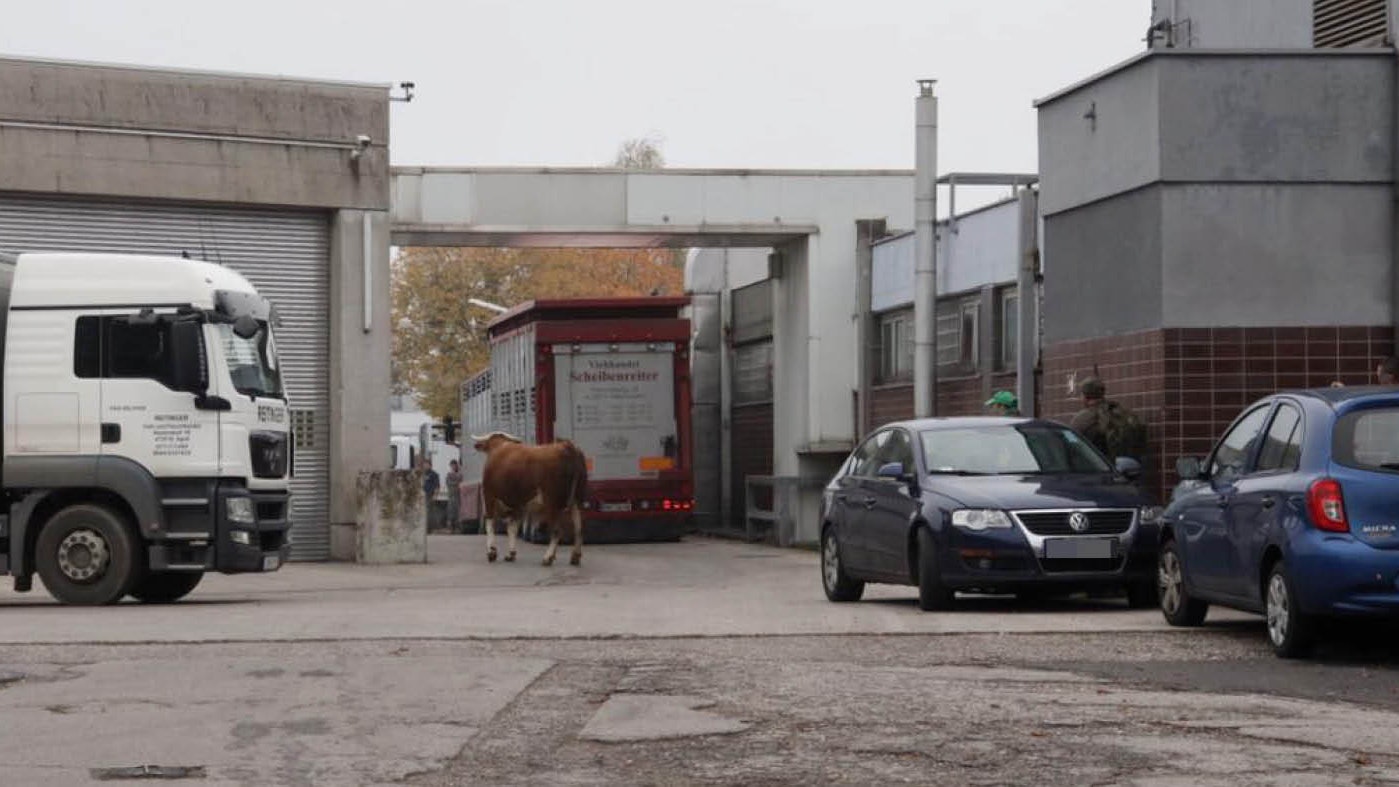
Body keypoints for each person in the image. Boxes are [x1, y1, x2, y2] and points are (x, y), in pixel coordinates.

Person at [1069, 376, 1148, 463]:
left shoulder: (1082, 418)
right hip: (1128, 466)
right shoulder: (1120, 412)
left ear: (1085, 396)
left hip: (1098, 466)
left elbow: (1072, 446)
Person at [420, 458, 441, 531]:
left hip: (430, 495)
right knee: (424, 512)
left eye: (427, 464)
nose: (425, 466)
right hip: (422, 496)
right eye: (424, 464)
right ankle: (426, 527)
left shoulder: (434, 474)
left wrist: (435, 495)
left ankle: (430, 528)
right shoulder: (422, 474)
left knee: (429, 512)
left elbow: (437, 486)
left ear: (430, 465)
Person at [445, 459, 463, 534]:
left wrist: (455, 482)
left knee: (458, 512)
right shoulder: (449, 474)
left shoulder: (460, 474)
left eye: (454, 465)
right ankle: (450, 528)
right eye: (452, 465)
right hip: (451, 496)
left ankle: (457, 528)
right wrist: (456, 483)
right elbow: (449, 483)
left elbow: (460, 481)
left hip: (458, 496)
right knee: (450, 512)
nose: (453, 467)